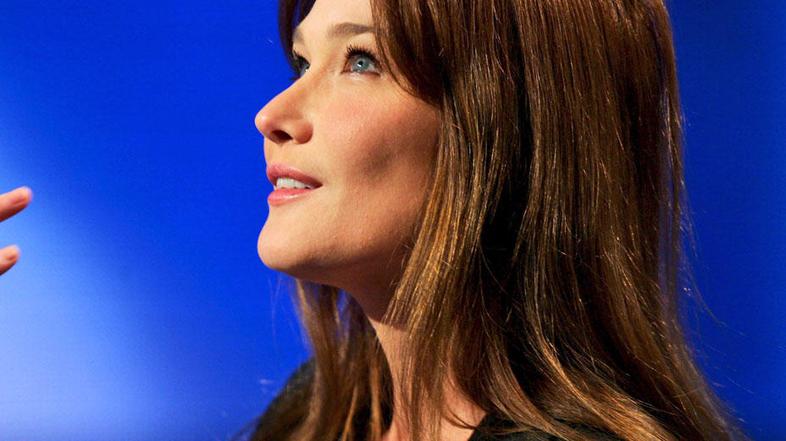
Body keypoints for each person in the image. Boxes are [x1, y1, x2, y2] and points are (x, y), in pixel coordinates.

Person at [242, 0, 749, 440]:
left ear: (511, 126)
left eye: (361, 61)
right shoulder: (311, 417)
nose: (271, 115)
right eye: (302, 64)